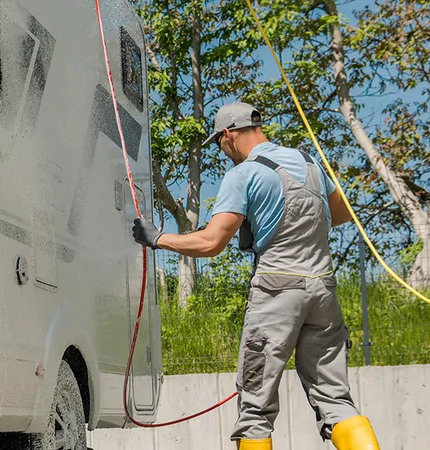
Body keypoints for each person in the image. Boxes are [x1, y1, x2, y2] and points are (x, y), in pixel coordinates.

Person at [132, 102, 380, 450]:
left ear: (229, 135)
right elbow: (339, 214)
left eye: (219, 143)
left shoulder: (243, 175)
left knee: (255, 411)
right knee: (336, 401)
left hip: (276, 292)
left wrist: (157, 238)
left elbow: (211, 242)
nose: (222, 151)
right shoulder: (309, 163)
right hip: (323, 291)